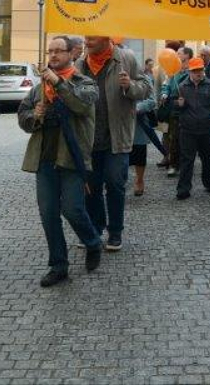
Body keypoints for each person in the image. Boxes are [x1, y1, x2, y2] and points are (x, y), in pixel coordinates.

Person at [17, 35, 102, 287]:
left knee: (73, 209)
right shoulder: (39, 89)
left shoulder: (85, 82)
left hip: (72, 159)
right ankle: (58, 265)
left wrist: (58, 83)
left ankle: (93, 242)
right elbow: (23, 117)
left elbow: (80, 105)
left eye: (58, 51)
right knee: (48, 214)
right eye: (50, 51)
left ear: (71, 53)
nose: (53, 55)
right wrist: (35, 115)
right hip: (44, 159)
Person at [76, 36, 151, 251]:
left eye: (92, 38)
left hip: (116, 137)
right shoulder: (81, 63)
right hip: (89, 139)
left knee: (115, 184)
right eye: (86, 38)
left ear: (105, 37)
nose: (87, 42)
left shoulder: (126, 58)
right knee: (91, 188)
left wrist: (130, 86)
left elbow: (146, 88)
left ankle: (115, 232)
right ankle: (95, 229)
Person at [174, 57, 210, 200]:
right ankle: (183, 189)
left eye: (200, 70)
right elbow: (172, 105)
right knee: (187, 159)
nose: (198, 73)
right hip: (187, 129)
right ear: (190, 71)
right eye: (195, 70)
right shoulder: (182, 86)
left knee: (208, 157)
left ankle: (208, 182)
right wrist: (178, 104)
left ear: (204, 70)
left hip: (206, 129)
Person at [160, 46, 193, 177]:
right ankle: (173, 164)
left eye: (179, 53)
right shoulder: (173, 70)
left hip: (189, 106)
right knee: (174, 136)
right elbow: (166, 85)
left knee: (187, 137)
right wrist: (164, 93)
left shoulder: (193, 70)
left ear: (187, 56)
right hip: (174, 105)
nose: (175, 55)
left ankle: (186, 163)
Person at [131, 67, 159, 197]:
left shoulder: (144, 78)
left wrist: (138, 108)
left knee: (139, 153)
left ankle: (139, 179)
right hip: (119, 124)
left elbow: (152, 101)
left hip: (138, 124)